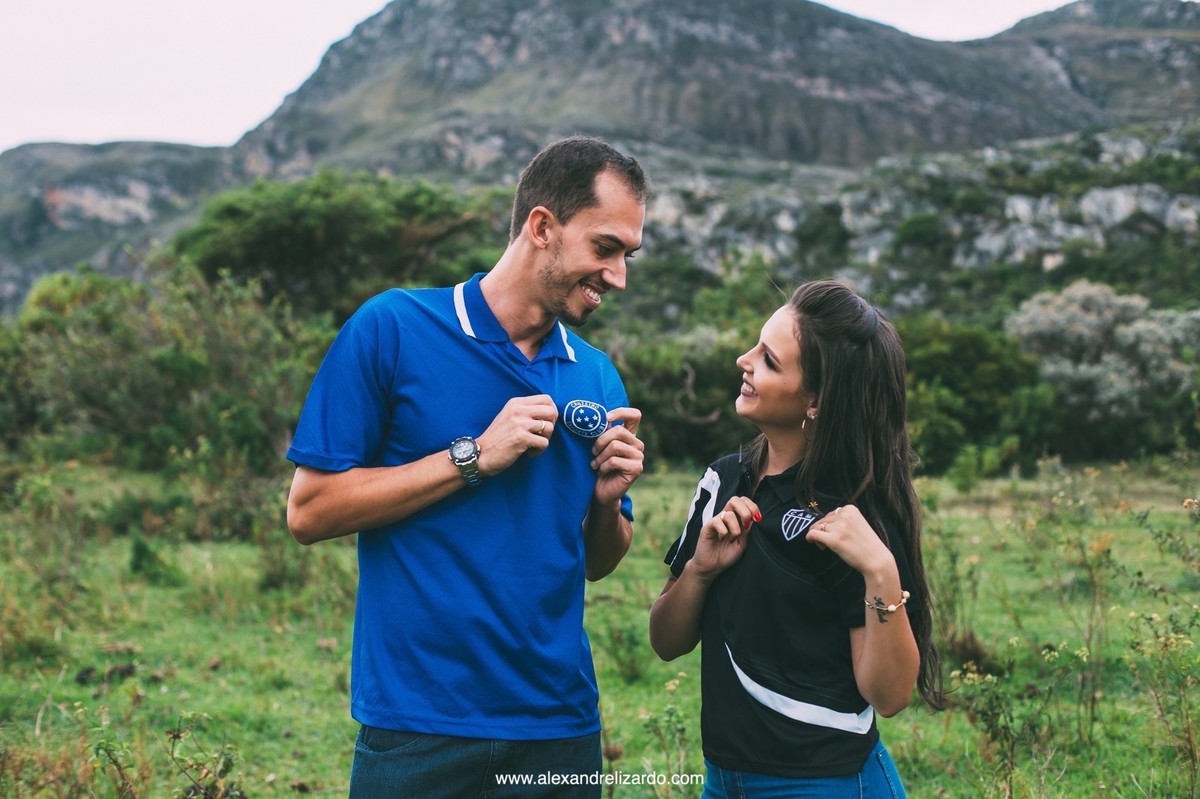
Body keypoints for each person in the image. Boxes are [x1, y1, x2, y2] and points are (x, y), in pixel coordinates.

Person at [285, 136, 651, 798]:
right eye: (605, 248)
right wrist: (475, 457)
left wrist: (606, 500)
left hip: (558, 730)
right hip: (418, 728)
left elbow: (599, 561)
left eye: (628, 254)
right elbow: (309, 511)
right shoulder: (392, 329)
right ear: (542, 227)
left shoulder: (597, 376)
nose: (619, 274)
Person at [648, 280, 942, 798]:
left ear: (816, 400)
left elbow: (890, 695)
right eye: (755, 346)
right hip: (723, 780)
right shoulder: (723, 480)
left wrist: (881, 570)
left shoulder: (854, 513)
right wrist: (699, 571)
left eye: (769, 360)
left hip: (825, 782)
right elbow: (666, 642)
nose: (743, 360)